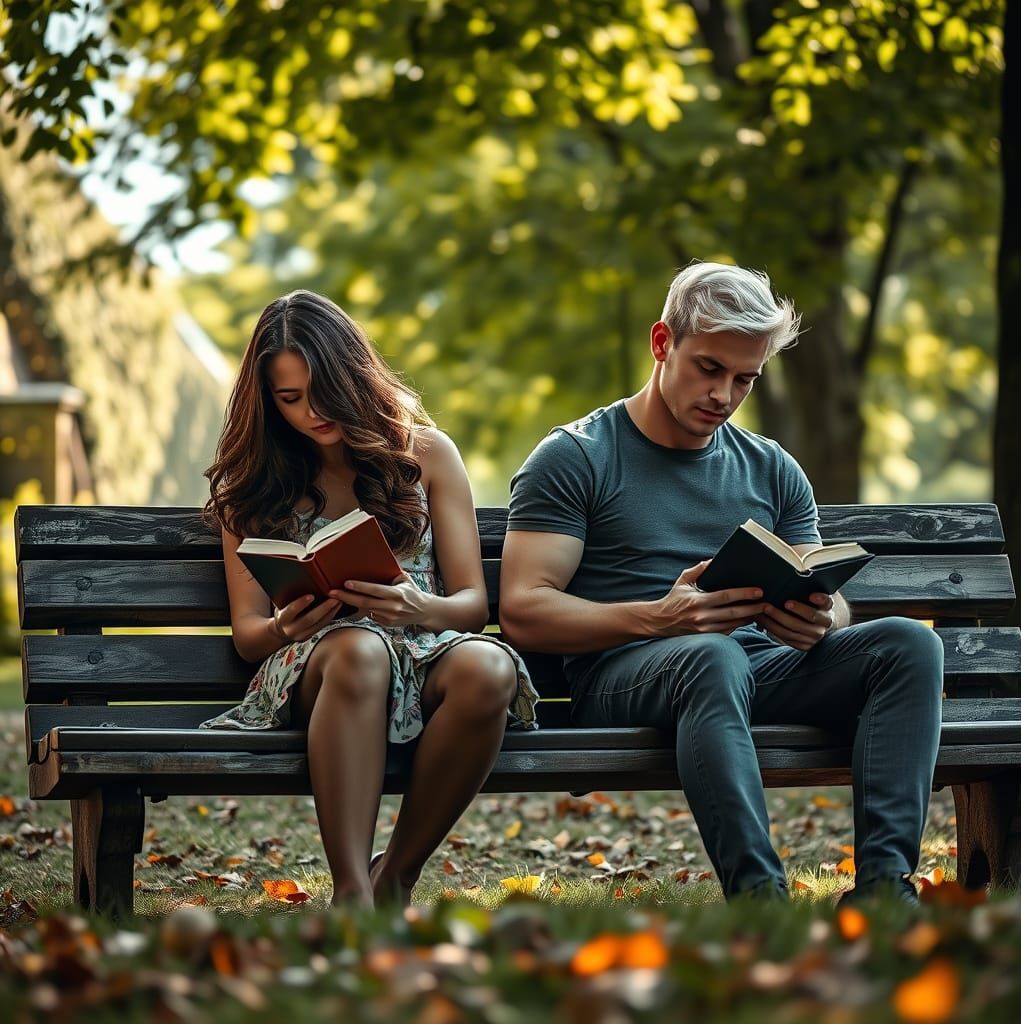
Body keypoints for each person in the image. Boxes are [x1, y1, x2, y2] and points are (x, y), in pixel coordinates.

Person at [499, 262, 943, 903]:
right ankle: (760, 899)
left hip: (758, 668)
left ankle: (884, 890)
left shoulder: (771, 467)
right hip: (628, 675)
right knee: (711, 656)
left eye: (745, 379)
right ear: (661, 343)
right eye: (709, 368)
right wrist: (662, 617)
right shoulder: (577, 456)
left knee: (908, 645)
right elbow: (523, 610)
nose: (724, 395)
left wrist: (825, 619)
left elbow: (822, 584)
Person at [200, 289, 538, 908]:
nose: (312, 411)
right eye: (290, 398)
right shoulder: (250, 482)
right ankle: (351, 892)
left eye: (323, 389)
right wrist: (285, 628)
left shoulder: (426, 453)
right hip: (319, 662)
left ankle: (396, 878)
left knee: (488, 668)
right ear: (268, 401)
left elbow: (471, 604)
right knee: (360, 650)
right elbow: (248, 634)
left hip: (424, 641)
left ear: (353, 373)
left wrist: (417, 607)